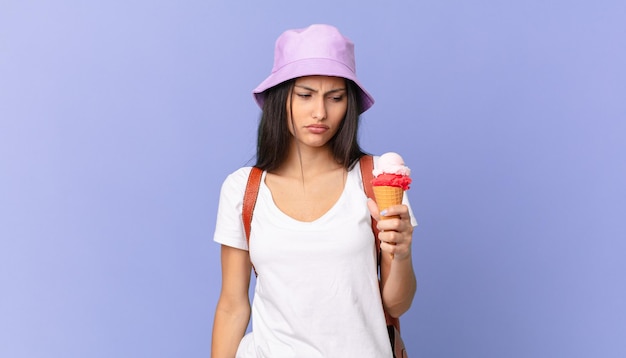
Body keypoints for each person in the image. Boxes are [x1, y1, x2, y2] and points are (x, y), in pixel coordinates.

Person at [211, 24, 417, 358]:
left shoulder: (378, 179)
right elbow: (232, 307)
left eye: (335, 97)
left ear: (348, 103)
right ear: (282, 99)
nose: (320, 112)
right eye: (305, 95)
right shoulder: (243, 189)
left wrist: (403, 253)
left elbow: (397, 303)